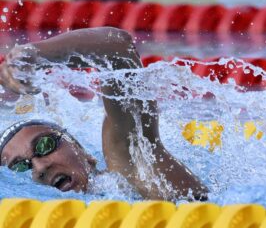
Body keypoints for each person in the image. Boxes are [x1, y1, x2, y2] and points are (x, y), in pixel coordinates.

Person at [0, 27, 208, 201]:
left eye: (45, 145)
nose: (40, 167)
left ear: (84, 152)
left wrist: (34, 55)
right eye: (20, 167)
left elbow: (119, 50)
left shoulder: (132, 171)